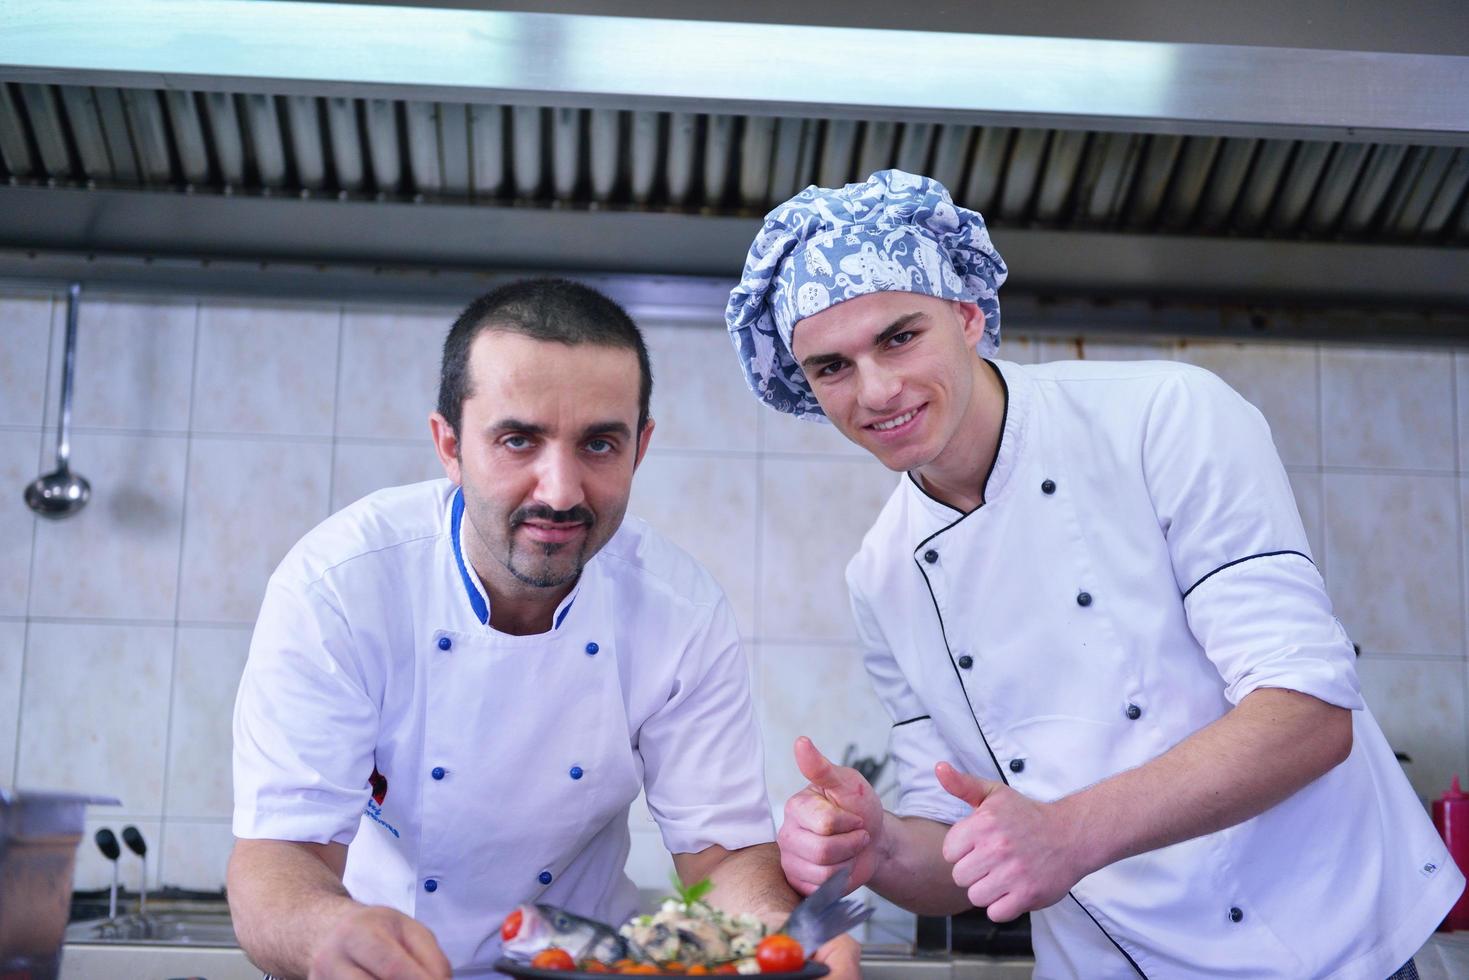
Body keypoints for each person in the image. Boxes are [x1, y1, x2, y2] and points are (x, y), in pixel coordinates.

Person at [724, 170, 1465, 979]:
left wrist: (1069, 833)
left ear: (968, 317)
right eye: (831, 368)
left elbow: (1309, 713)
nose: (875, 390)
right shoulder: (882, 575)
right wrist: (881, 845)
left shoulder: (1163, 416)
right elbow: (953, 855)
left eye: (899, 337)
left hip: (1327, 948)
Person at [229, 279, 860, 979]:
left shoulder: (679, 613)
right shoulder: (341, 587)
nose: (559, 491)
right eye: (517, 440)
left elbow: (720, 859)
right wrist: (327, 933)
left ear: (639, 449)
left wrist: (778, 940)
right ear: (448, 445)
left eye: (598, 444)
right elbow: (279, 854)